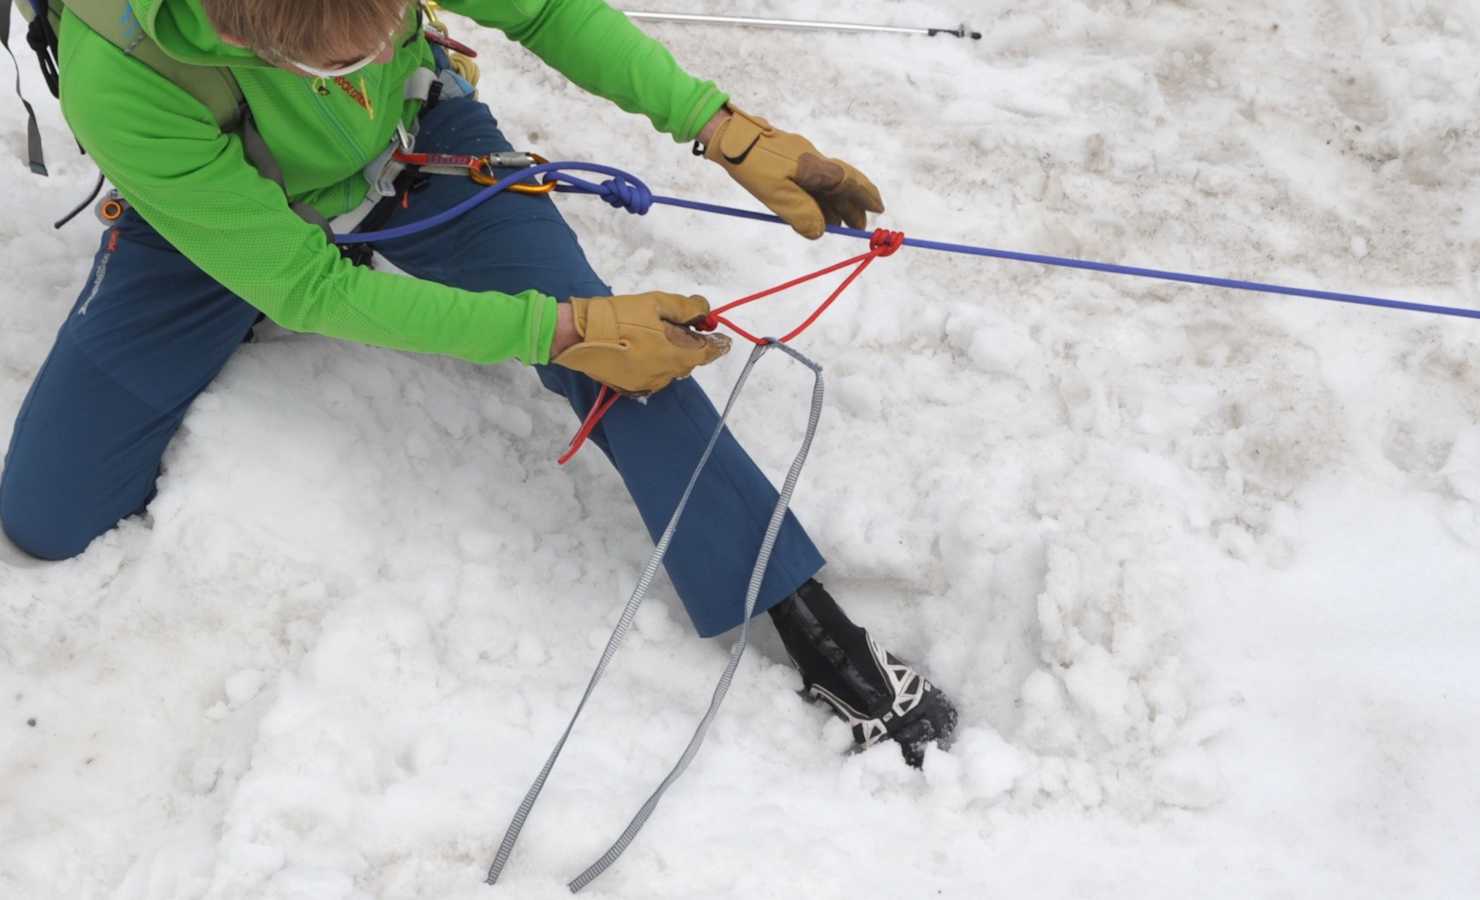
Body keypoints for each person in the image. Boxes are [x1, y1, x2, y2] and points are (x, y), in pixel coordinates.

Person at [0, 0, 956, 765]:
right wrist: (559, 328)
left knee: (629, 356)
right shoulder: (119, 68)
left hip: (420, 152)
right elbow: (302, 285)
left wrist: (724, 129)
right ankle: (225, 255)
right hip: (233, 214)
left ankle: (804, 616)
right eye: (340, 65)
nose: (366, 53)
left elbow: (545, 12)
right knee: (48, 511)